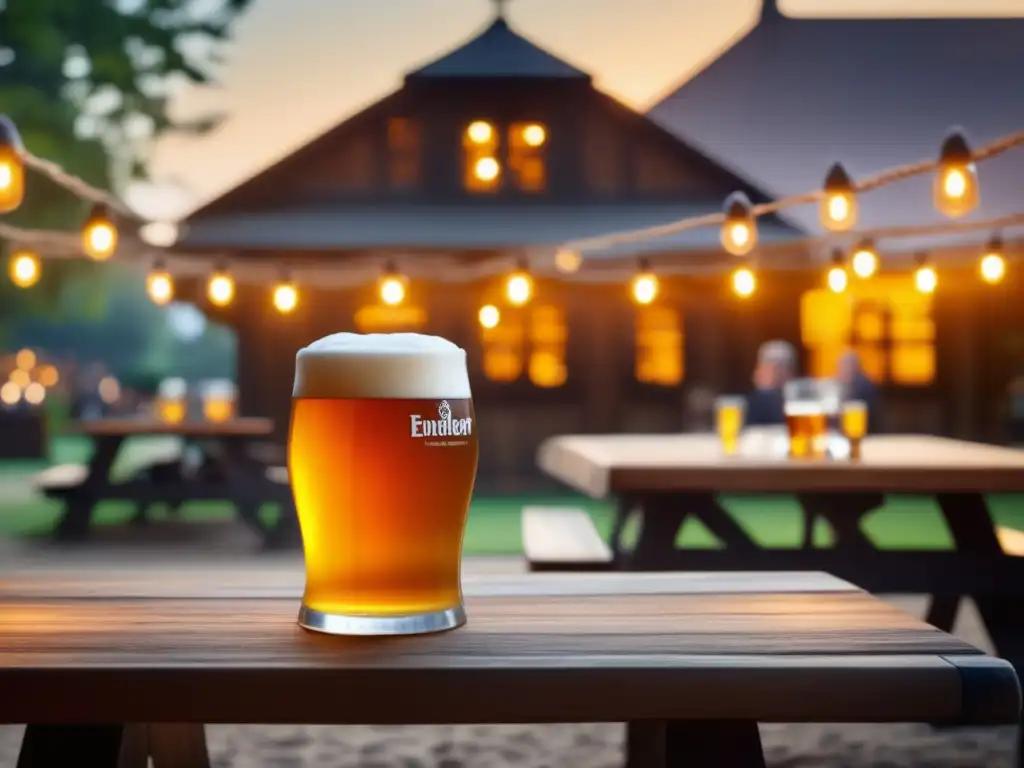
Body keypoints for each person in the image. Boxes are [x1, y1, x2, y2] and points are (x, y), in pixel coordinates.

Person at [745, 340, 796, 426]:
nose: (777, 374)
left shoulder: (797, 405)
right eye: (769, 367)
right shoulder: (751, 403)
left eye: (782, 369)